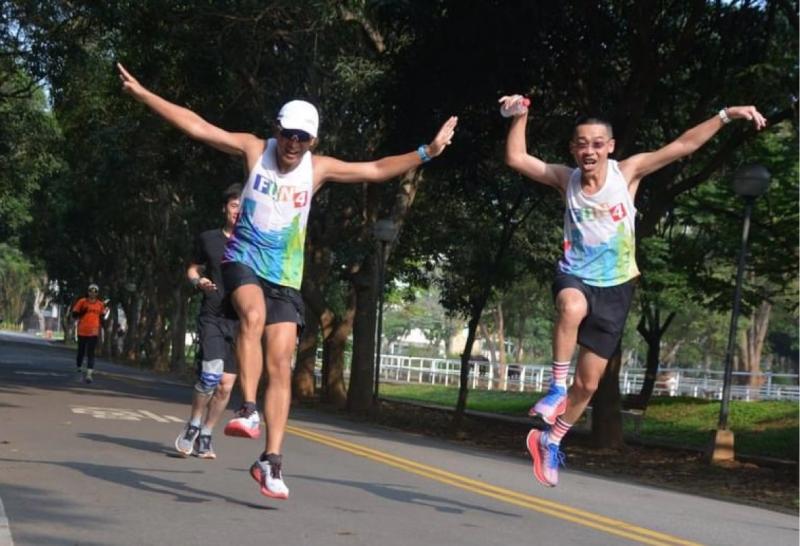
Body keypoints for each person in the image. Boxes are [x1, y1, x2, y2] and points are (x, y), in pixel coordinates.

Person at [117, 62, 457, 499]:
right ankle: (248, 408)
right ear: (277, 130)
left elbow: (375, 169)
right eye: (288, 134)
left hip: (285, 276)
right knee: (252, 316)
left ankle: (270, 461)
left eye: (303, 137)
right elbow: (198, 126)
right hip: (243, 260)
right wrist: (145, 94)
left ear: (313, 141)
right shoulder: (254, 149)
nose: (294, 143)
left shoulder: (319, 169)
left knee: (281, 363)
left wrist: (428, 151)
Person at [501, 95, 766, 487]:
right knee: (571, 307)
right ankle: (555, 389)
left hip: (617, 288)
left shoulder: (627, 172)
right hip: (575, 276)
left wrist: (726, 115)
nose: (589, 151)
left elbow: (683, 146)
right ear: (572, 148)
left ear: (609, 146)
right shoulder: (565, 179)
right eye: (581, 144)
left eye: (597, 143)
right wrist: (520, 116)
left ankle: (550, 439)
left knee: (588, 385)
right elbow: (517, 158)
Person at [174, 183, 242, 459]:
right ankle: (192, 424)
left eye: (244, 207)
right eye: (234, 205)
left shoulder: (255, 244)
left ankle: (206, 434)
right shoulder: (209, 239)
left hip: (240, 322)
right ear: (225, 208)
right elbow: (192, 268)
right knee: (211, 376)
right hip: (212, 315)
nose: (238, 211)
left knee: (225, 386)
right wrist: (198, 281)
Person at [71, 284, 107, 383]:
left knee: (91, 353)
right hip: (82, 330)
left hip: (93, 331)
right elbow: (74, 314)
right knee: (81, 352)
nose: (92, 293)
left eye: (95, 292)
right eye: (91, 291)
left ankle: (89, 374)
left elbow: (102, 317)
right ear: (88, 292)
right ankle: (79, 368)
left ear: (97, 293)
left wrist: (104, 319)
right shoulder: (82, 301)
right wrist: (82, 312)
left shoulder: (100, 304)